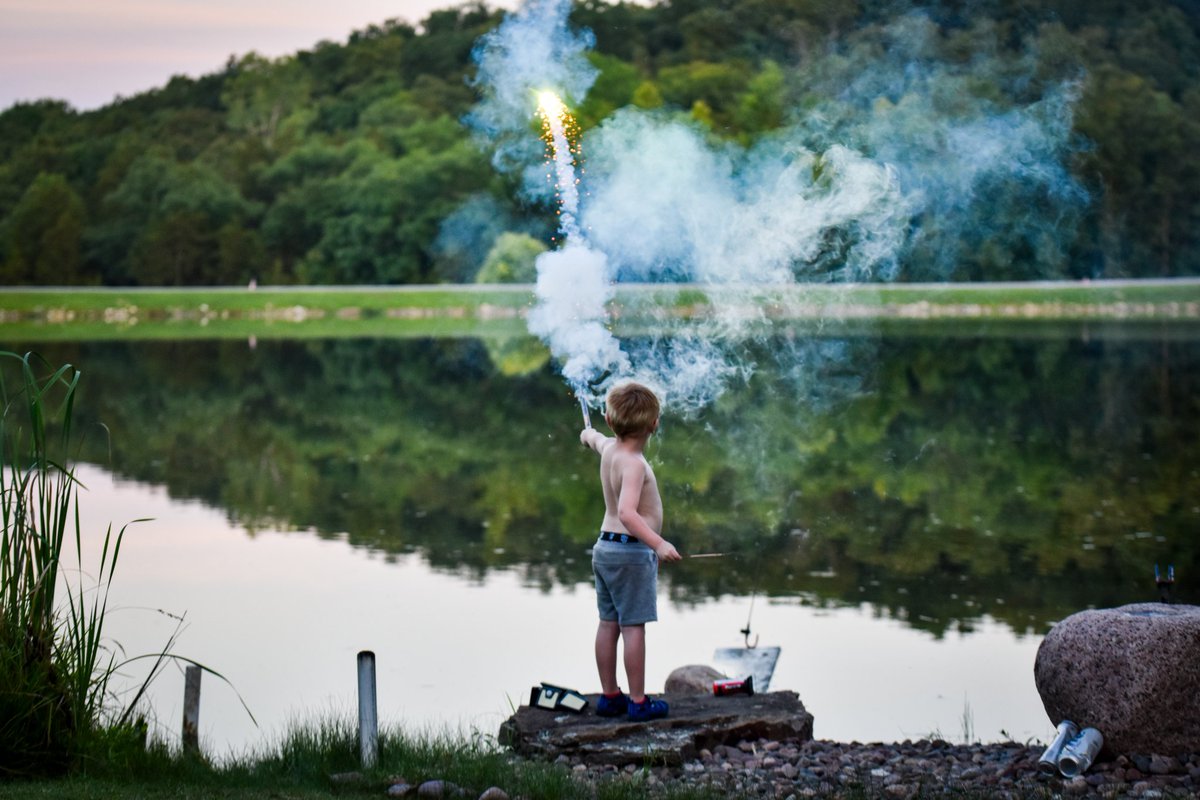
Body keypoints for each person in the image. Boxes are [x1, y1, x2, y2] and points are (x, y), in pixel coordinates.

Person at [580, 382, 681, 722]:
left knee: (608, 623)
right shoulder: (635, 464)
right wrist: (659, 543)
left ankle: (610, 696)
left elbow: (593, 440)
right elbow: (627, 512)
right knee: (633, 626)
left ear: (609, 420)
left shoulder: (609, 447)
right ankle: (638, 702)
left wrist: (586, 435)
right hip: (631, 553)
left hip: (605, 549)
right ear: (654, 425)